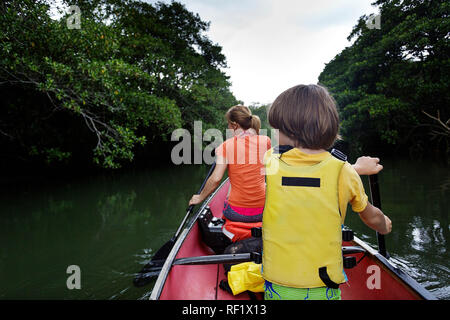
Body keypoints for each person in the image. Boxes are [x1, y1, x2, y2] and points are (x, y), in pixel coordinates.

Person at [261, 84, 392, 300]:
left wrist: (353, 169)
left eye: (277, 130)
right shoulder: (343, 171)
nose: (274, 137)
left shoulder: (269, 161)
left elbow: (305, 173)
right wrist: (383, 224)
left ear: (292, 132)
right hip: (323, 285)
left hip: (276, 283)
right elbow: (371, 217)